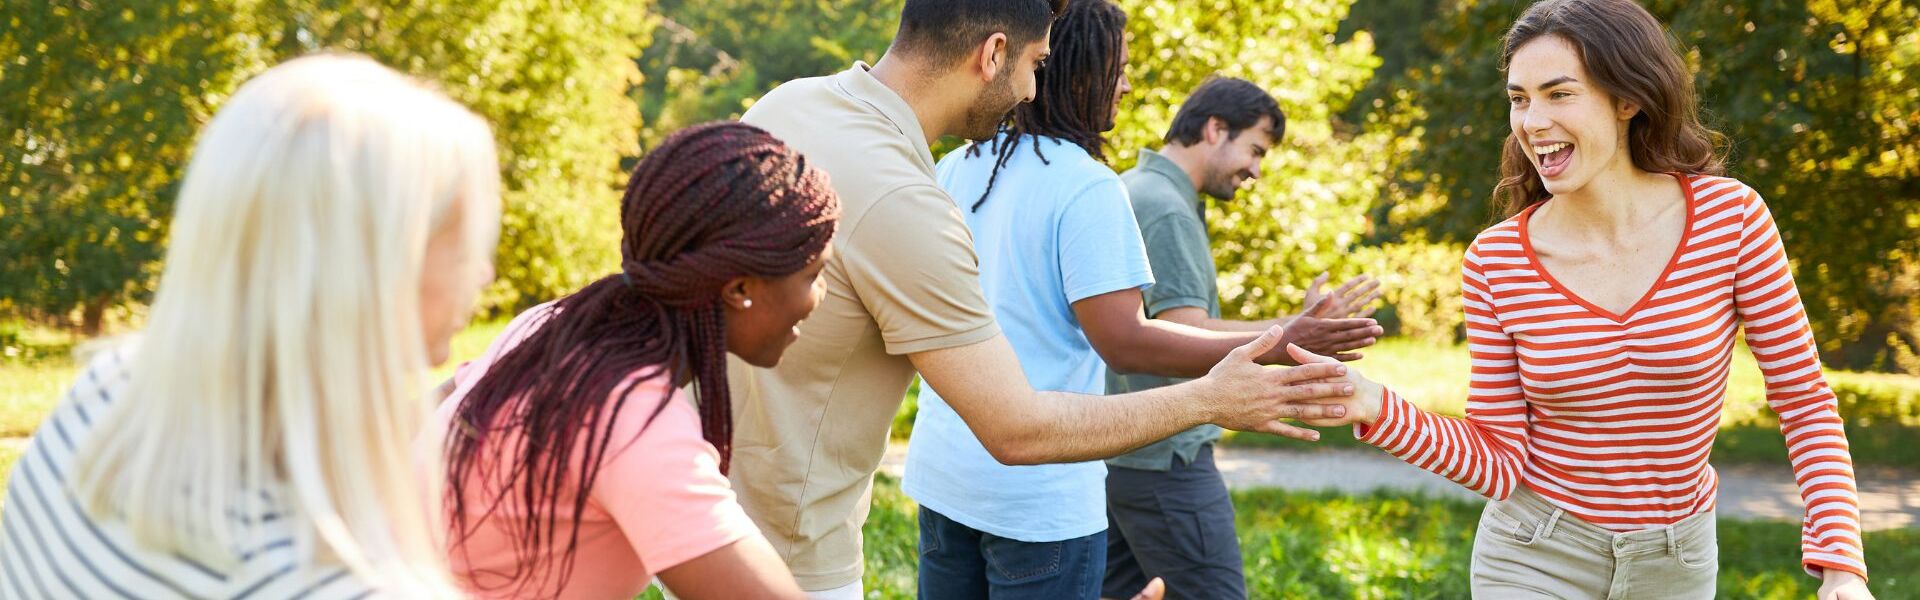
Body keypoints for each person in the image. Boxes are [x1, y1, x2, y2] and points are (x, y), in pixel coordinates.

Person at [729, 0, 1372, 597]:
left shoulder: (790, 106)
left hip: (728, 521)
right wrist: (1223, 387)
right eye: (1036, 63)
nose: (1035, 88)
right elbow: (1039, 409)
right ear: (994, 53)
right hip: (816, 554)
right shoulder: (925, 196)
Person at [1294, 1, 1873, 598]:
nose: (1532, 120)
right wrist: (1373, 406)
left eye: (1558, 93)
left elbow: (1804, 402)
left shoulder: (1732, 220)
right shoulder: (1497, 262)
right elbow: (1497, 461)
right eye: (1519, 98)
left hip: (1675, 563)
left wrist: (1842, 567)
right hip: (1533, 555)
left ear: (1628, 100)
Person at [0, 54, 501, 597]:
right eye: (466, 245)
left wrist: (455, 397)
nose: (484, 273)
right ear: (379, 271)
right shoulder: (337, 583)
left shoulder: (107, 397)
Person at [433, 122, 835, 599]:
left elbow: (437, 402)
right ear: (740, 289)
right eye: (814, 274)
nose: (821, 296)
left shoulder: (552, 325)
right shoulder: (636, 423)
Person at [1099, 77, 1381, 600]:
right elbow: (1189, 330)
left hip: (1128, 455)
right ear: (1214, 128)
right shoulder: (1164, 205)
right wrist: (1296, 336)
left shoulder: (1140, 187)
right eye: (1254, 149)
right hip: (1168, 459)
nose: (1255, 168)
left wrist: (1297, 324)